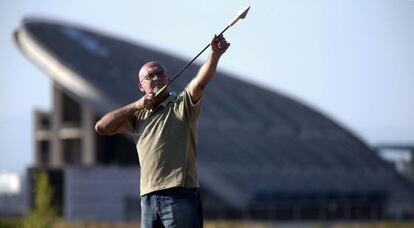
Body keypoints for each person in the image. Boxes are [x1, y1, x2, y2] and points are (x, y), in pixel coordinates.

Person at [95, 34, 230, 228]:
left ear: (167, 78)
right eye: (150, 76)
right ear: (141, 86)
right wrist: (135, 105)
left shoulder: (181, 104)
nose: (157, 78)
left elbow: (199, 82)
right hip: (148, 197)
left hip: (179, 193)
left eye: (160, 74)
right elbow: (101, 127)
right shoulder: (138, 115)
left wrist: (214, 56)